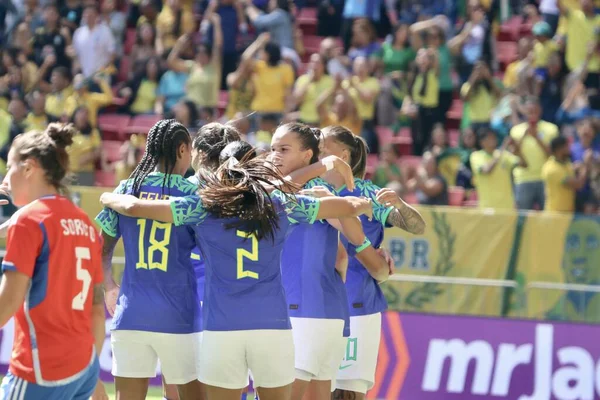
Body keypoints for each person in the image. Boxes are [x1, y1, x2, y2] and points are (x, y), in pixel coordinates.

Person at [98, 152, 375, 400]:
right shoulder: (281, 204)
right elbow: (348, 206)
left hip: (223, 329)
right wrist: (367, 205)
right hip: (272, 327)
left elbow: (134, 208)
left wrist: (108, 197)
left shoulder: (203, 208)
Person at [95, 120, 204, 400]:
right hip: (179, 315)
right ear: (182, 149)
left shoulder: (125, 189)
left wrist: (109, 285)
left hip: (130, 314)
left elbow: (101, 249)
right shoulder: (193, 194)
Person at [0, 124, 105, 400]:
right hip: (82, 368)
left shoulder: (28, 220)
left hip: (41, 368)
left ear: (28, 167)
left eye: (9, 168)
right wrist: (91, 372)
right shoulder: (85, 223)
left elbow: (7, 303)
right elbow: (96, 309)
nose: (5, 181)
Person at [319, 125, 425, 400]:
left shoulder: (368, 194)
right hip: (313, 302)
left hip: (356, 303)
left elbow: (416, 227)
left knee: (346, 393)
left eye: (323, 148)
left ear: (343, 154)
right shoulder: (309, 189)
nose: (317, 153)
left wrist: (400, 205)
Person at [269, 122, 372, 400]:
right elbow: (343, 254)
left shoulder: (300, 192)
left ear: (307, 155)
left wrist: (323, 166)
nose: (274, 156)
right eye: (273, 149)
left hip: (300, 310)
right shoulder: (324, 191)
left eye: (284, 149)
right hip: (330, 313)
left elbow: (274, 191)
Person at [470, 129, 527, 210]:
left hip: (507, 207)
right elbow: (487, 170)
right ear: (482, 142)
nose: (493, 140)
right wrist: (503, 147)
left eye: (494, 138)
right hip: (488, 207)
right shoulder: (476, 156)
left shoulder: (504, 155)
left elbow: (524, 164)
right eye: (489, 138)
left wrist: (517, 148)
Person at [542, 136, 588, 213]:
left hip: (567, 213)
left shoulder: (565, 162)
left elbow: (568, 170)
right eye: (567, 146)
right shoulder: (551, 169)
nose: (570, 149)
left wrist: (576, 167)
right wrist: (585, 168)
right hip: (555, 214)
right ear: (559, 149)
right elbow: (578, 185)